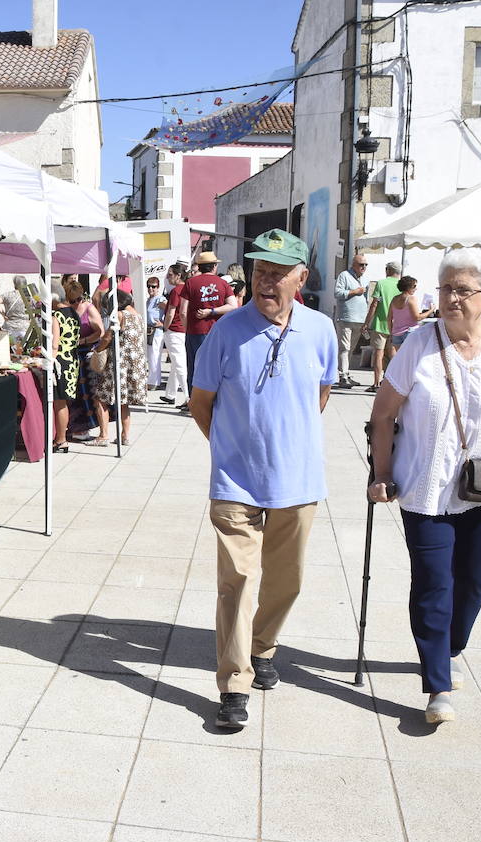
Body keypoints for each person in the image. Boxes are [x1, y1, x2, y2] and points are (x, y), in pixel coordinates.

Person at [367, 248, 481, 725]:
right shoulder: (417, 347)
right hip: (424, 490)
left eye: (463, 290)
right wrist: (381, 474)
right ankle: (437, 684)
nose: (451, 298)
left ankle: (451, 646)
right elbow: (382, 417)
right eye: (445, 289)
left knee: (473, 583)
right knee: (433, 585)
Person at [187, 229, 338, 730]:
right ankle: (234, 684)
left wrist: (284, 442)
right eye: (258, 272)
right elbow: (200, 403)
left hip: (298, 482)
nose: (265, 282)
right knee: (237, 582)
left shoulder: (320, 330)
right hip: (236, 483)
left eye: (277, 273)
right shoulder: (225, 332)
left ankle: (264, 645)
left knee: (287, 581)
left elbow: (319, 396)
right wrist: (231, 448)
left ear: (302, 278)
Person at [179, 251, 239, 415]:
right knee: (218, 367)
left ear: (199, 266)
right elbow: (233, 306)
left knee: (195, 367)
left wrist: (188, 328)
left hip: (195, 332)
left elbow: (182, 312)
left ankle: (195, 404)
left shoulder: (190, 283)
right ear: (214, 266)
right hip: (219, 332)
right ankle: (216, 403)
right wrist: (213, 311)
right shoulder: (223, 283)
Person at [94, 291, 149, 445]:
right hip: (135, 364)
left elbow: (108, 337)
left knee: (100, 397)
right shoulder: (138, 316)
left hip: (120, 363)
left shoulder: (119, 315)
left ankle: (103, 435)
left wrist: (98, 350)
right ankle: (125, 435)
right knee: (124, 401)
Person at [67, 280, 107, 445]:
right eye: (73, 300)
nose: (77, 303)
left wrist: (82, 341)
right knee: (78, 395)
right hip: (76, 357)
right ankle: (81, 429)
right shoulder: (68, 310)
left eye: (79, 299)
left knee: (95, 395)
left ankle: (103, 433)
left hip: (90, 355)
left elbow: (101, 333)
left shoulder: (89, 309)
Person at [49, 285, 80, 453]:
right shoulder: (75, 313)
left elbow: (55, 344)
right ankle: (61, 437)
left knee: (59, 402)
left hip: (60, 362)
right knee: (64, 401)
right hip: (72, 361)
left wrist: (49, 361)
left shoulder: (56, 316)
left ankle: (61, 440)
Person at [333, 251, 370, 389]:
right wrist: (354, 292)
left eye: (366, 265)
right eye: (361, 264)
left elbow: (366, 299)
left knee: (351, 348)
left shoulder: (366, 279)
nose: (364, 267)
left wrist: (366, 319)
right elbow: (337, 293)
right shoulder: (344, 276)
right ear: (354, 265)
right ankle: (342, 376)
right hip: (345, 317)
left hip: (359, 318)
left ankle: (347, 374)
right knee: (344, 347)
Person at [362, 262, 401, 392]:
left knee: (378, 354)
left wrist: (367, 322)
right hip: (396, 325)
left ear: (388, 270)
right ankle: (392, 382)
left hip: (380, 323)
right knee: (392, 355)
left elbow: (374, 304)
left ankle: (377, 383)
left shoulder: (381, 283)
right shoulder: (401, 285)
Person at [160, 262, 191, 407]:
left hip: (174, 330)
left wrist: (165, 327)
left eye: (170, 274)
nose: (167, 277)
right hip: (183, 329)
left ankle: (188, 396)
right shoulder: (187, 288)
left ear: (178, 275)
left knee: (179, 365)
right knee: (177, 363)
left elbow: (171, 312)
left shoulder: (176, 291)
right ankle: (170, 394)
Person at [388, 276, 428, 348]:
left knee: (401, 357)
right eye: (414, 286)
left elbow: (389, 318)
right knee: (412, 358)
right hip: (409, 333)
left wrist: (391, 334)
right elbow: (417, 317)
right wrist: (430, 310)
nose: (416, 288)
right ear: (409, 286)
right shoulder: (411, 299)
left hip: (396, 334)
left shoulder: (394, 299)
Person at [144, 276, 166, 389]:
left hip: (156, 331)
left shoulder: (160, 299)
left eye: (153, 286)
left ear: (158, 287)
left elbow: (171, 309)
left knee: (155, 356)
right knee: (150, 356)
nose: (151, 289)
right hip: (149, 330)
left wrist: (163, 324)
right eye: (148, 286)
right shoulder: (149, 300)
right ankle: (152, 380)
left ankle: (154, 382)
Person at [0, 274, 31, 343]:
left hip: (10, 328)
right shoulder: (29, 296)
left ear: (14, 283)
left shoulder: (8, 295)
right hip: (24, 328)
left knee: (10, 351)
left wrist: (3, 314)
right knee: (23, 350)